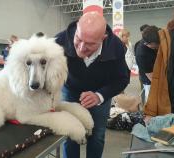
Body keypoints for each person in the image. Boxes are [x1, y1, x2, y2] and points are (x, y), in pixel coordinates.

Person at [55, 12, 130, 158]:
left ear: (103, 38)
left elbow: (122, 79)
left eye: (90, 44)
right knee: (70, 134)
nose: (82, 48)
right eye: (79, 39)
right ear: (77, 28)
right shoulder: (58, 41)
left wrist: (99, 96)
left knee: (97, 135)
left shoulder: (116, 47)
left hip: (100, 93)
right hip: (70, 90)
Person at [135, 25, 160, 102]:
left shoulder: (158, 36)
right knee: (153, 100)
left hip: (159, 72)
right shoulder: (142, 54)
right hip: (149, 80)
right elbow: (151, 77)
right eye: (155, 47)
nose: (159, 47)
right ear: (147, 44)